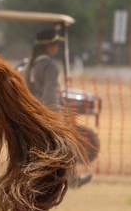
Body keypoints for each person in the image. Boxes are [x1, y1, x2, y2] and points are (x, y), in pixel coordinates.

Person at [26, 28, 93, 187]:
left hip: (32, 112)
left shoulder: (31, 63)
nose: (57, 47)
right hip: (47, 113)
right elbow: (49, 95)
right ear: (50, 46)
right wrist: (57, 119)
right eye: (55, 44)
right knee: (65, 146)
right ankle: (71, 179)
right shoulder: (49, 65)